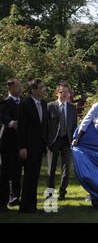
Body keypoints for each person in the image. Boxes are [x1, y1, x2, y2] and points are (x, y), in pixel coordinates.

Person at [18, 79, 48, 213]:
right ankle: (25, 205)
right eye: (41, 88)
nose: (44, 90)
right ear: (33, 90)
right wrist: (22, 147)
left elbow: (44, 126)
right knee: (29, 176)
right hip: (28, 146)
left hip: (39, 146)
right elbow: (22, 128)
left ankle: (32, 205)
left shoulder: (43, 103)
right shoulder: (25, 104)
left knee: (35, 175)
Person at [46, 83, 78, 200]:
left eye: (66, 92)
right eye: (61, 92)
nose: (64, 94)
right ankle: (50, 194)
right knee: (51, 168)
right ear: (57, 93)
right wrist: (47, 140)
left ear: (69, 94)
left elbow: (74, 125)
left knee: (66, 168)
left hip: (67, 140)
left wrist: (75, 138)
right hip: (53, 141)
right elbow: (46, 125)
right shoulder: (50, 106)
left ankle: (62, 192)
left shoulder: (72, 108)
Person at [0, 79, 22, 208]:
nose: (21, 88)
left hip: (20, 142)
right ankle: (2, 202)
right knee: (5, 172)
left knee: (17, 172)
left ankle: (15, 197)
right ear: (11, 89)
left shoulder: (24, 102)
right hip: (7, 143)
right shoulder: (5, 102)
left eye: (21, 86)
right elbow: (4, 116)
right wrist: (11, 123)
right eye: (18, 86)